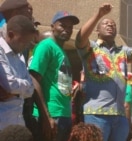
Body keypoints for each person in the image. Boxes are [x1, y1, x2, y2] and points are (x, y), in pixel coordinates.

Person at [75, 3, 132, 141]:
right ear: (97, 30)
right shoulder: (90, 48)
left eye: (113, 24)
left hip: (119, 117)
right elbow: (80, 39)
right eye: (106, 24)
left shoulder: (123, 52)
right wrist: (99, 15)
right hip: (96, 114)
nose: (110, 25)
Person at [28, 11, 79, 141]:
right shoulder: (46, 46)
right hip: (50, 115)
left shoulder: (61, 50)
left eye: (70, 27)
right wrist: (46, 117)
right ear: (52, 27)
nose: (67, 30)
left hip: (63, 114)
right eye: (63, 25)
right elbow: (34, 79)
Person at [0, 15, 36, 130]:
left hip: (17, 123)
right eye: (23, 42)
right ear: (11, 35)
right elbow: (10, 85)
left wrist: (15, 92)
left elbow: (31, 89)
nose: (25, 46)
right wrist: (20, 89)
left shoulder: (19, 56)